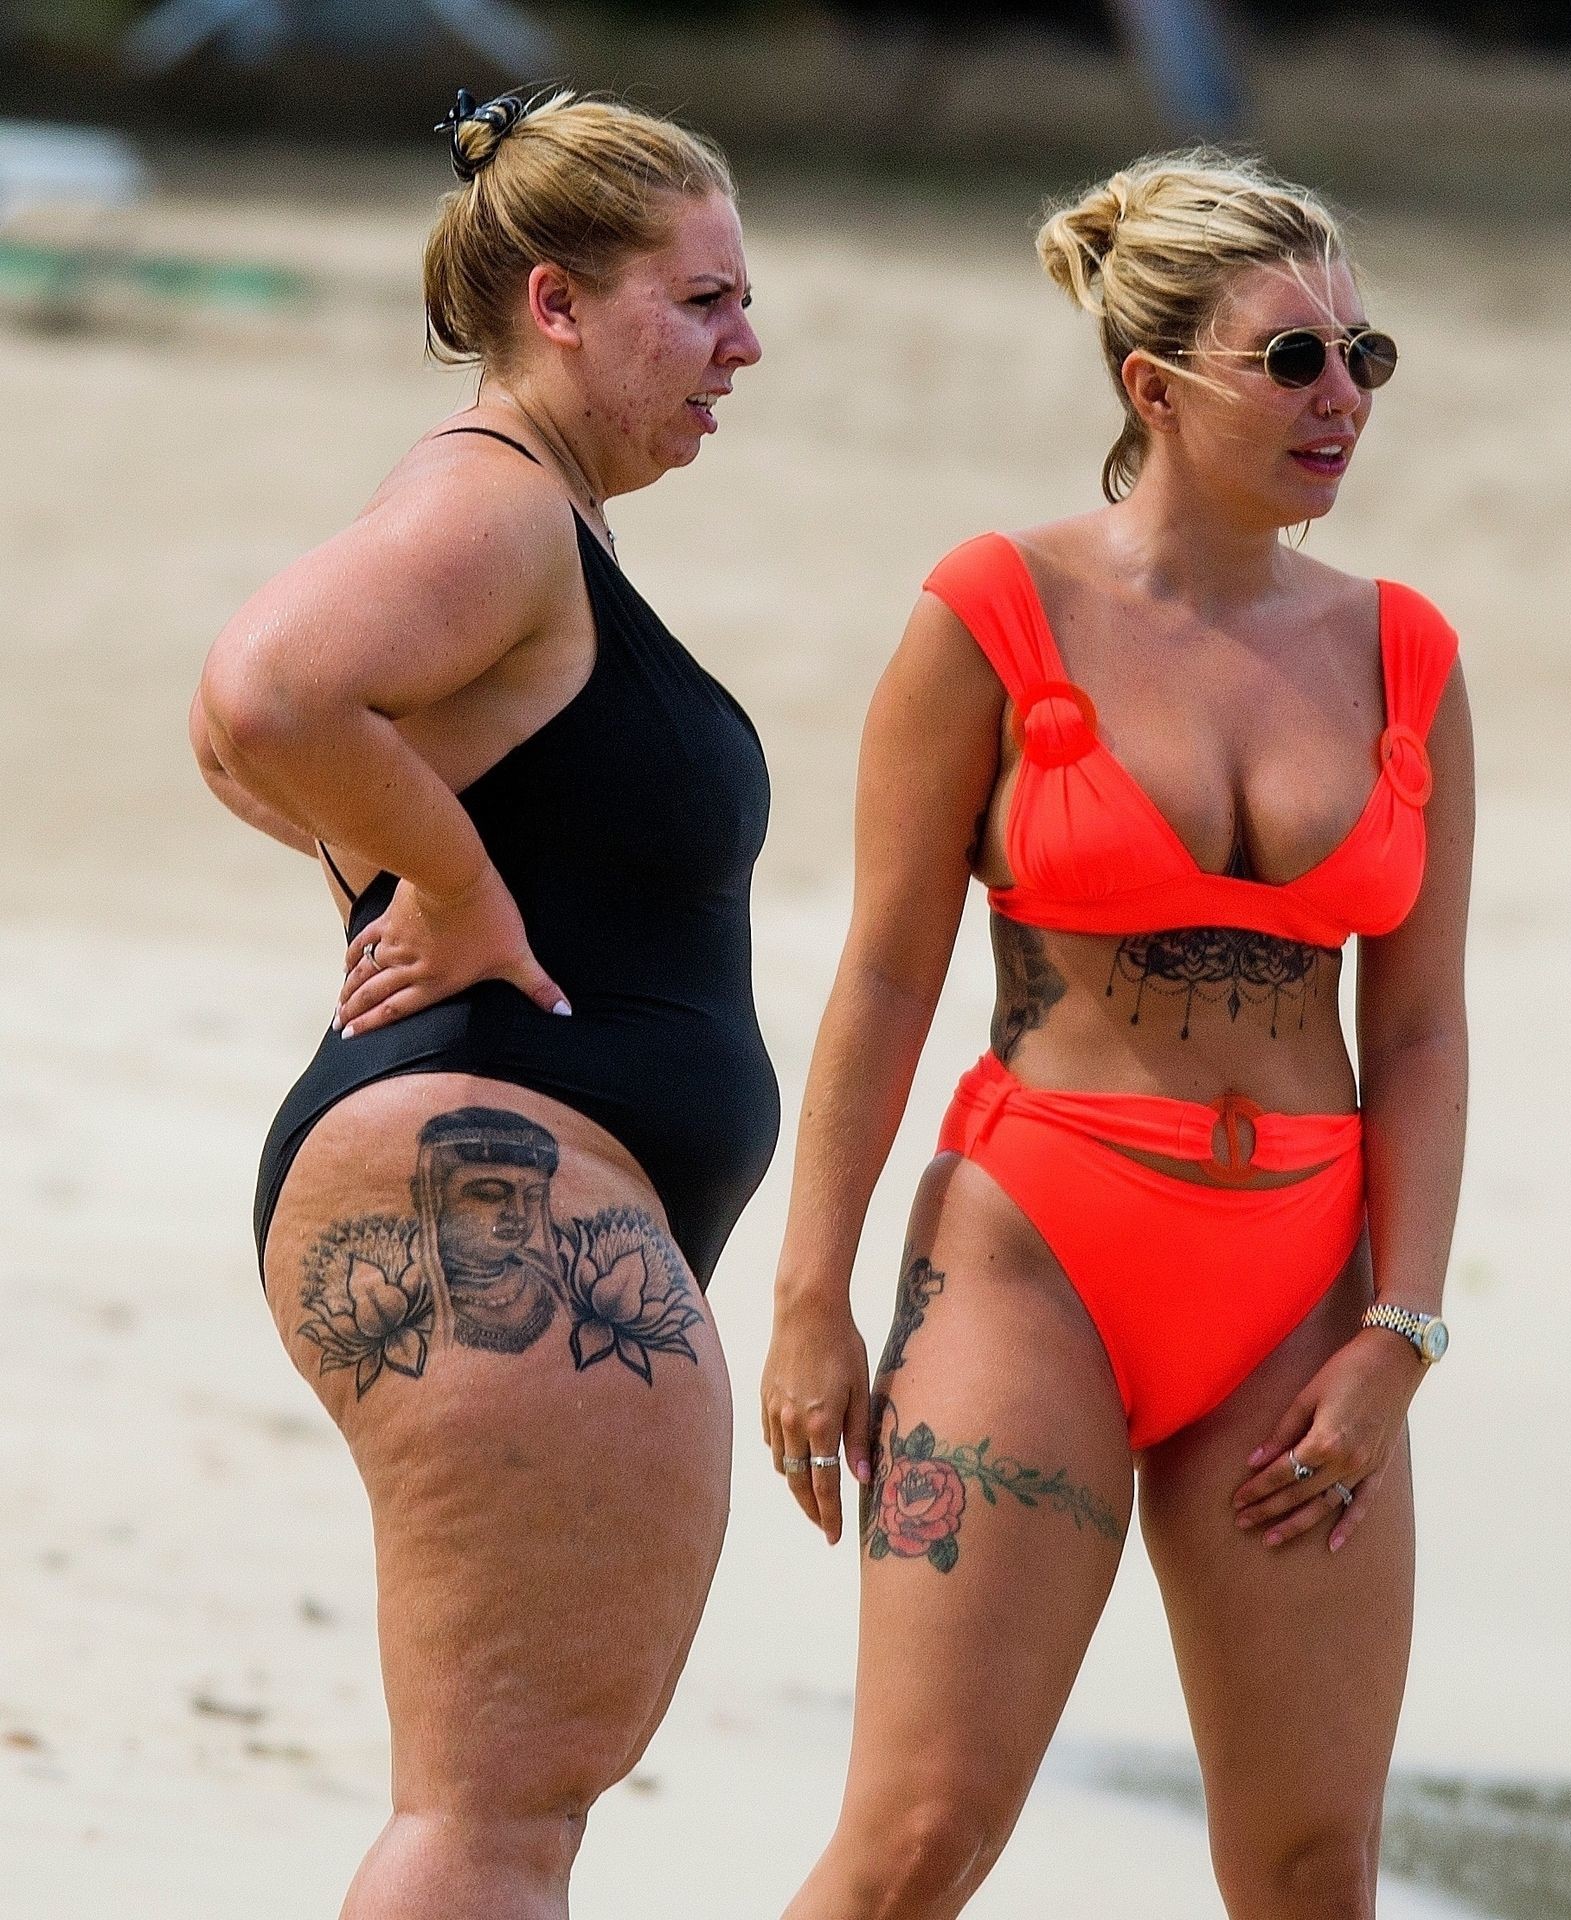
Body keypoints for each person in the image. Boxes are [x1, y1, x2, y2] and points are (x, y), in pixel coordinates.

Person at [761, 149, 1472, 1919]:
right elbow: (884, 975)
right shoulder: (994, 612)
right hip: (1036, 1254)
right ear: (1151, 386)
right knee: (917, 1842)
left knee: (1312, 1871)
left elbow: (1422, 1026)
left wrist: (1400, 1331)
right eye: (1291, 359)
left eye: (1364, 358)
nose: (1340, 398)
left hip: (1303, 1282)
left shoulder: (1405, 652)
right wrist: (806, 1296)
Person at [189, 87, 774, 1919]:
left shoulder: (517, 515)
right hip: (488, 1173)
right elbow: (264, 694)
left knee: (505, 1809)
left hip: (496, 1162)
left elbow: (245, 746)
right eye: (701, 302)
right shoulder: (494, 503)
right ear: (556, 303)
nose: (743, 347)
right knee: (494, 1817)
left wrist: (408, 848)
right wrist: (448, 888)